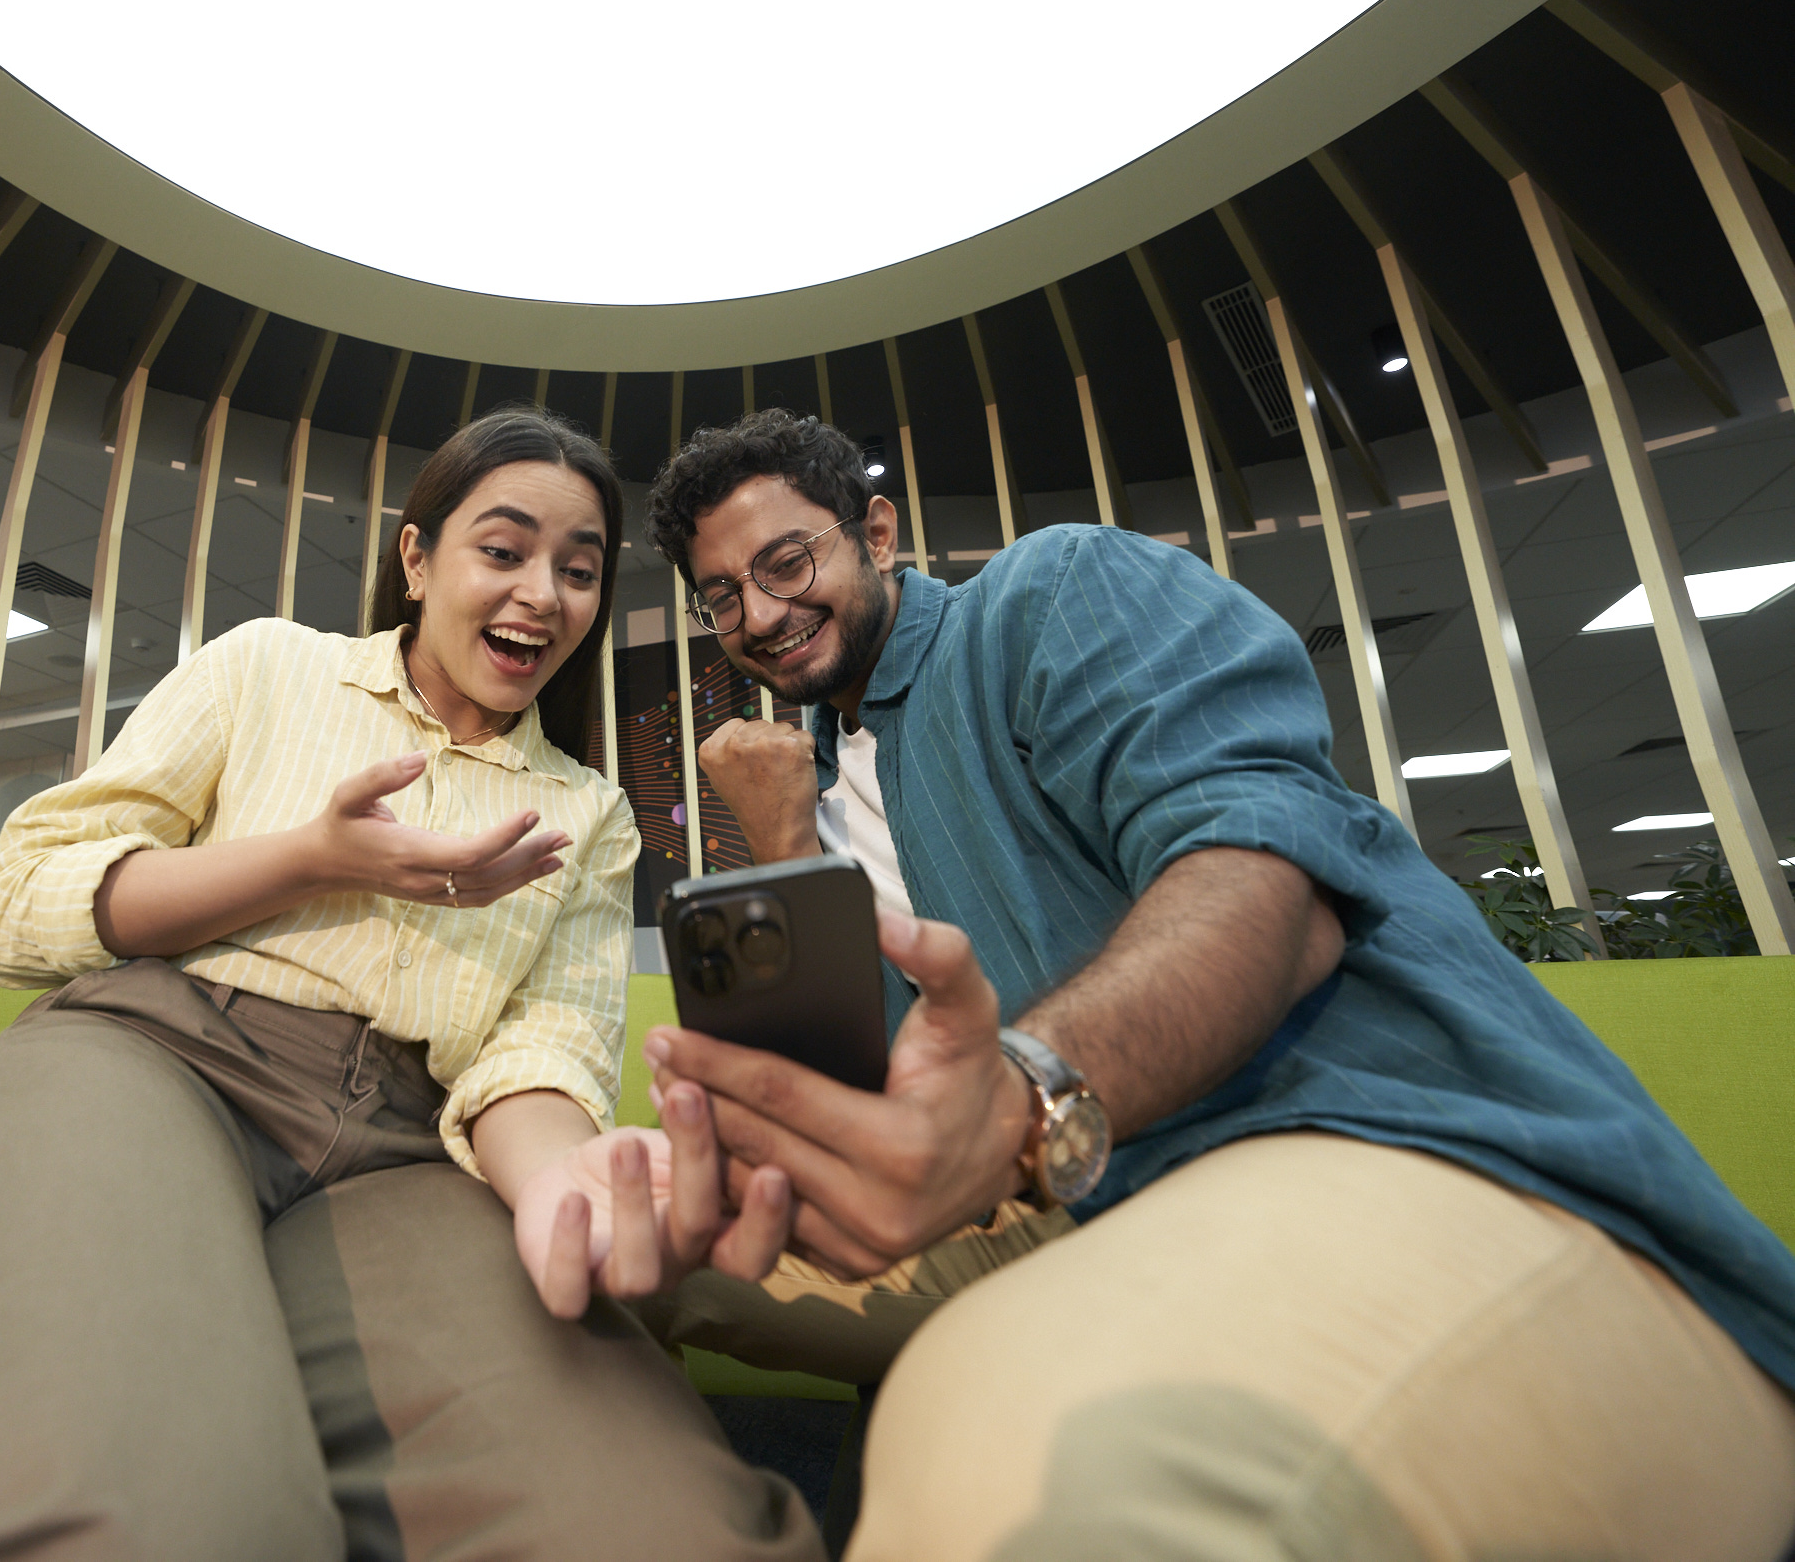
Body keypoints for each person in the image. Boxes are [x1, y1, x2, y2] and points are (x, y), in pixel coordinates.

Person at [638, 409, 1795, 1560]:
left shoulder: (1048, 594)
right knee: (610, 1244)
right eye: (723, 594)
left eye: (787, 561)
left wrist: (1013, 1095)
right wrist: (784, 833)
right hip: (1062, 1193)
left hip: (1362, 1135)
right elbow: (863, 1086)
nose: (762, 612)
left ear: (877, 531)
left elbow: (1258, 883)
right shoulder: (827, 786)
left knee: (1033, 1489)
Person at [0, 409, 821, 1562]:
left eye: (579, 569)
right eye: (501, 550)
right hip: (154, 1058)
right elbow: (17, 902)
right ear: (416, 557)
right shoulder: (267, 666)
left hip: (408, 1150)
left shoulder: (588, 810)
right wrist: (310, 857)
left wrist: (557, 1183)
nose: (542, 594)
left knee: (647, 1521)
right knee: (118, 1491)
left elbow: (537, 1049)